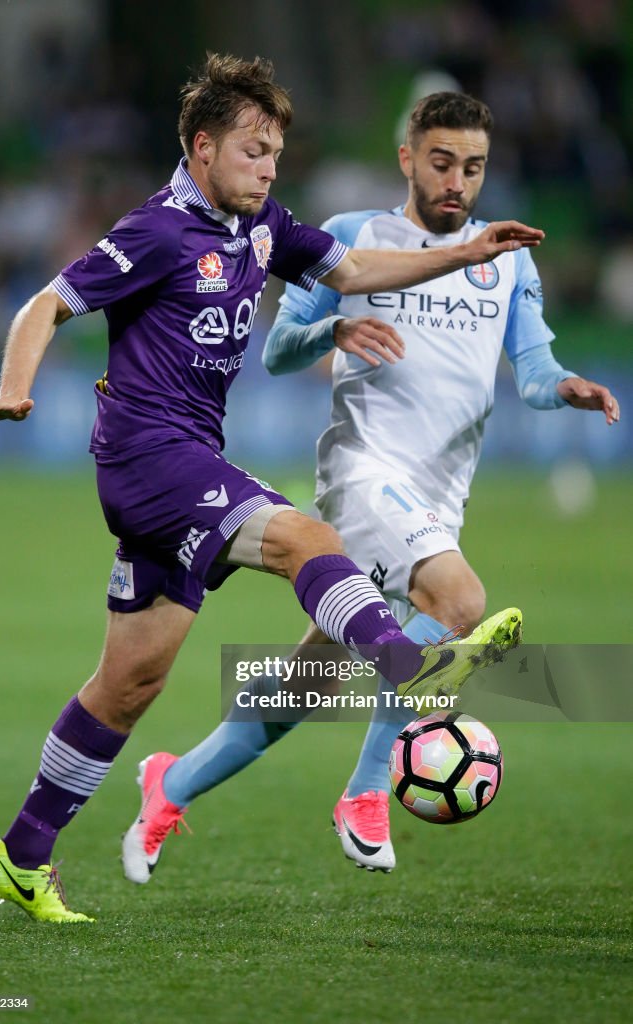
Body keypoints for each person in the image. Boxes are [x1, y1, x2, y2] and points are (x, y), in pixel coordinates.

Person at [0, 59, 541, 923]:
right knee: (309, 539)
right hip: (148, 459)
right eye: (252, 150)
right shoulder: (156, 230)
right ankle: (403, 663)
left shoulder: (261, 224)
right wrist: (14, 385)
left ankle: (22, 854)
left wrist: (463, 252)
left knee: (128, 685)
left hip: (182, 463)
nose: (268, 168)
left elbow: (351, 271)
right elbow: (47, 304)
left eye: (275, 152)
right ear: (201, 149)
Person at [137, 90, 619, 878]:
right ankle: (365, 791)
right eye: (440, 163)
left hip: (438, 496)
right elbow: (280, 350)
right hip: (362, 471)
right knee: (458, 603)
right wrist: (333, 326)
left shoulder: (507, 259)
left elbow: (531, 371)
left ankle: (171, 784)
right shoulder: (354, 239)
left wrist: (565, 386)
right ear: (406, 157)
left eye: (472, 167)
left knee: (308, 682)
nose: (456, 181)